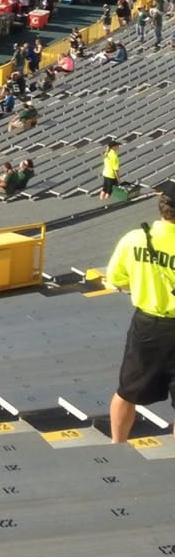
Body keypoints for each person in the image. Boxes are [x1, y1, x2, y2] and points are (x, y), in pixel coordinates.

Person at [103, 181, 175, 442]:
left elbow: (116, 278)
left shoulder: (135, 239)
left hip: (147, 326)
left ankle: (116, 444)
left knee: (126, 392)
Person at [101, 137, 122, 201]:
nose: (118, 147)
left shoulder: (107, 153)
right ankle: (105, 203)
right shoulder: (114, 156)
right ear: (113, 147)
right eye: (117, 145)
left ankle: (101, 200)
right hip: (111, 175)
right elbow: (116, 170)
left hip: (105, 173)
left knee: (104, 189)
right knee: (109, 191)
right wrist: (118, 179)